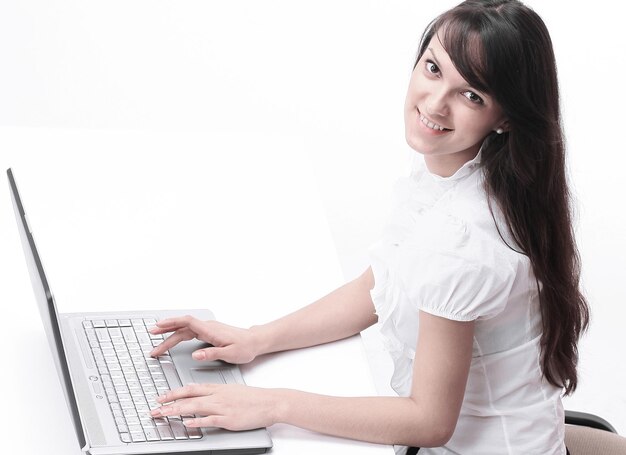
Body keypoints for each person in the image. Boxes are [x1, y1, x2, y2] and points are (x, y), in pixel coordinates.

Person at [148, 1, 589, 453]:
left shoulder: (459, 240)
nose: (436, 105)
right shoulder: (462, 175)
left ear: (506, 117)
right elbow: (381, 284)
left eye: (471, 95)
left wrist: (272, 404)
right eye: (434, 69)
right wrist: (256, 339)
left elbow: (429, 420)